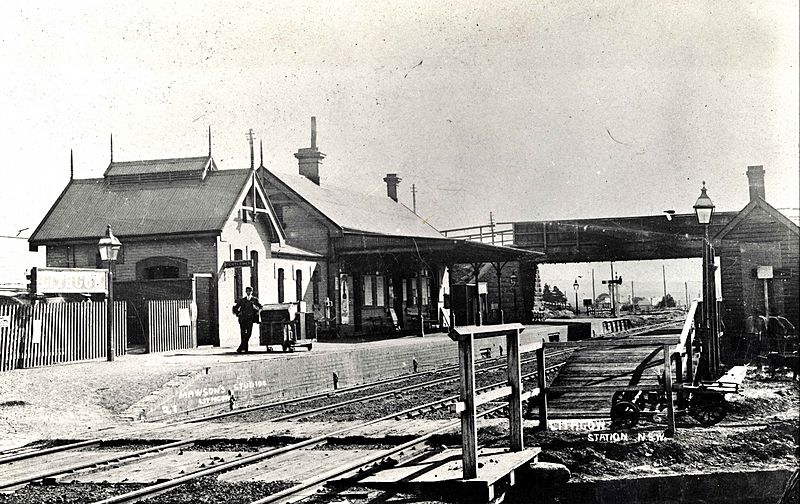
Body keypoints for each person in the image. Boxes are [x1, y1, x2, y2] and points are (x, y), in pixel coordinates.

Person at [233, 287, 262, 353]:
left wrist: (257, 311)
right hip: (243, 319)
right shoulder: (242, 300)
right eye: (247, 291)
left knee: (249, 333)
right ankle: (245, 349)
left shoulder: (255, 300)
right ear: (246, 292)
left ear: (252, 292)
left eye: (250, 291)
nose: (248, 292)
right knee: (243, 333)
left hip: (250, 319)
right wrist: (238, 314)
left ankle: (241, 347)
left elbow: (260, 307)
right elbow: (236, 308)